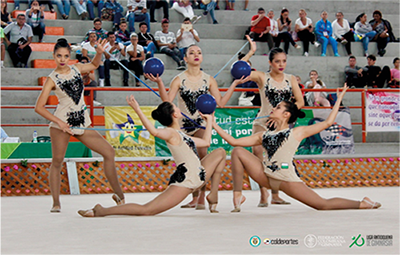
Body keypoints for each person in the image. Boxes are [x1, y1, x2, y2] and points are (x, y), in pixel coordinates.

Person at [212, 84, 381, 212]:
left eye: (277, 107)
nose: (273, 108)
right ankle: (238, 195)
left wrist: (338, 99)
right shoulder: (263, 135)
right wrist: (213, 123)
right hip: (266, 175)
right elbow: (233, 141)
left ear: (286, 115)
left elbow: (328, 123)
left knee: (322, 205)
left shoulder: (296, 132)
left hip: (286, 179)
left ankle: (361, 203)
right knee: (237, 151)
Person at [78, 97, 227, 216]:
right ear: (174, 115)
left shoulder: (181, 134)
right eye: (176, 107)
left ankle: (213, 195)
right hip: (186, 182)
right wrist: (137, 110)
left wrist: (209, 121)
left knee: (220, 152)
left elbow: (206, 142)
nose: (179, 109)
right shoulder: (170, 133)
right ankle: (102, 210)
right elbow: (154, 132)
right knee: (147, 210)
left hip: (199, 174)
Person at [146, 44, 250, 209]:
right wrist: (159, 81)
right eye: (191, 53)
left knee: (202, 157)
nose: (196, 55)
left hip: (201, 124)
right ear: (185, 59)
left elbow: (221, 103)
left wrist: (235, 83)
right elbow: (166, 102)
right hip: (182, 128)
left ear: (202, 57)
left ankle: (201, 197)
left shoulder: (209, 79)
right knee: (190, 162)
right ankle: (196, 197)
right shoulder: (179, 79)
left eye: (199, 52)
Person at [34, 38, 125, 212]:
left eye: (66, 56)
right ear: (53, 56)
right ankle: (56, 203)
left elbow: (94, 65)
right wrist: (60, 122)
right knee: (57, 161)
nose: (62, 59)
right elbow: (38, 107)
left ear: (70, 56)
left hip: (82, 123)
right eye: (59, 56)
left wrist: (99, 52)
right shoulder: (52, 79)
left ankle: (119, 196)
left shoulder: (77, 69)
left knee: (108, 152)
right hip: (61, 124)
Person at [241, 35, 304, 206]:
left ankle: (275, 195)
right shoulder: (262, 77)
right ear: (270, 62)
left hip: (280, 127)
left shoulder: (290, 79)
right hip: (262, 123)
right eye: (277, 61)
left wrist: (288, 114)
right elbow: (242, 70)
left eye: (284, 61)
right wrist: (251, 52)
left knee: (277, 161)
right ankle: (263, 194)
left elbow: (300, 101)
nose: (281, 64)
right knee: (259, 158)